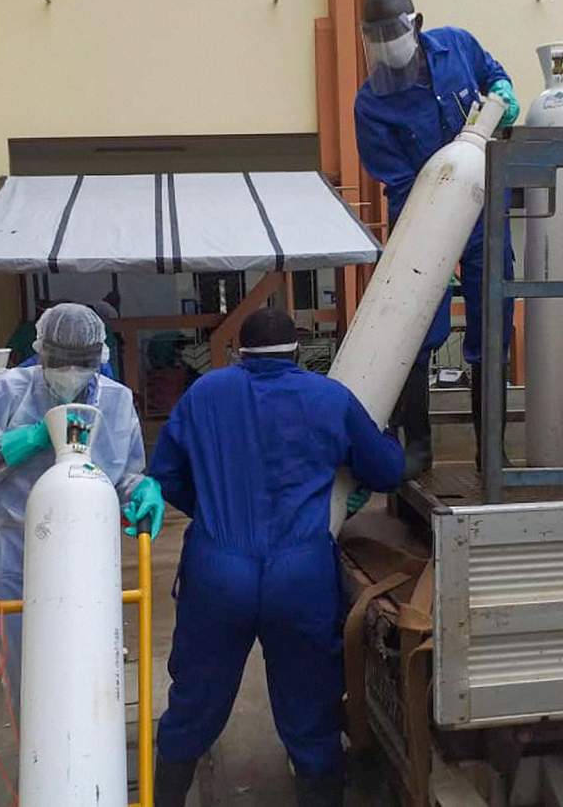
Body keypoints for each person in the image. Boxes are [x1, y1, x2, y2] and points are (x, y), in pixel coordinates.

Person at [148, 308, 405, 807]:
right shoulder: (329, 397)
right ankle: (319, 790)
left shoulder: (204, 394)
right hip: (299, 570)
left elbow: (167, 474)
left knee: (196, 696)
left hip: (218, 566)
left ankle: (168, 794)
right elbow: (386, 469)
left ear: (239, 351)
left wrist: (212, 512)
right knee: (309, 702)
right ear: (298, 351)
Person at [0, 303, 160, 707]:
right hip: (19, 553)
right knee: (30, 682)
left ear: (100, 359)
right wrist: (16, 445)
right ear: (41, 354)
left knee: (91, 679)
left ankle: (94, 767)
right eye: (61, 363)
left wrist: (141, 489)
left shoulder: (117, 402)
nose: (71, 373)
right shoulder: (2, 395)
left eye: (81, 364)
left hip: (90, 555)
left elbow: (124, 472)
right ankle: (35, 765)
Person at [354, 0, 519, 476]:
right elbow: (399, 181)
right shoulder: (371, 104)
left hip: (484, 215)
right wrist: (427, 243)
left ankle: (492, 447)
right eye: (375, 36)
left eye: (392, 32)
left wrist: (504, 93)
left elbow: (493, 75)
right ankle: (418, 446)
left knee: (492, 323)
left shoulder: (458, 46)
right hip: (421, 219)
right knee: (416, 329)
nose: (386, 43)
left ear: (416, 23)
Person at [17, 298, 119, 380]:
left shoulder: (100, 367)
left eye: (82, 365)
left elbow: (109, 394)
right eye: (59, 364)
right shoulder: (32, 366)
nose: (71, 372)